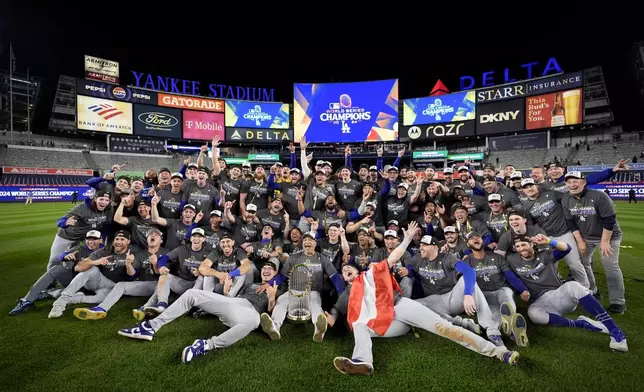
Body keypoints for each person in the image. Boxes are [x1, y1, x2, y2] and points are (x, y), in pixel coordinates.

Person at [328, 221, 519, 376]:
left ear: (358, 270)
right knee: (360, 327)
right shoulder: (349, 294)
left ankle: (498, 352)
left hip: (401, 307)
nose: (346, 271)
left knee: (445, 329)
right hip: (388, 324)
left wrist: (407, 239)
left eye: (349, 269)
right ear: (344, 279)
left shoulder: (370, 274)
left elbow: (393, 257)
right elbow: (341, 312)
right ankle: (363, 362)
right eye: (344, 273)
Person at [117, 259, 285, 364]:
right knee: (192, 294)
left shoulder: (278, 288)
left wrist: (271, 298)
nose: (267, 270)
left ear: (275, 273)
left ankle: (205, 345)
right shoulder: (251, 284)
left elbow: (269, 315)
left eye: (270, 269)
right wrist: (227, 291)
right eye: (265, 268)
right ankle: (151, 326)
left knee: (254, 321)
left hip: (251, 313)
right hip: (236, 302)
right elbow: (229, 299)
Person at [506, 234, 627, 352]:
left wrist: (549, 241)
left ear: (532, 244)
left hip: (559, 295)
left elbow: (567, 248)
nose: (521, 248)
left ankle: (615, 331)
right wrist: (522, 291)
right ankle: (581, 324)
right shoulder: (512, 260)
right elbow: (511, 277)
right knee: (533, 314)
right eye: (518, 246)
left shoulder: (545, 255)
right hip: (541, 301)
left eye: (524, 244)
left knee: (573, 285)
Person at [562, 171, 626, 313]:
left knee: (610, 266)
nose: (572, 184)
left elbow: (609, 220)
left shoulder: (599, 196)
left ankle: (618, 302)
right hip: (586, 236)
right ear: (566, 185)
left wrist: (604, 241)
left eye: (575, 181)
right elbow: (571, 222)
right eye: (569, 182)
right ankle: (593, 291)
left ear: (584, 182)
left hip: (609, 236)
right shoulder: (566, 199)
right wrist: (580, 241)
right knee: (582, 263)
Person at [72, 228, 169, 321]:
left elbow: (164, 275)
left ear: (161, 240)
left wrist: (155, 264)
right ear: (146, 240)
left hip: (162, 284)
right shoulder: (140, 253)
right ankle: (101, 309)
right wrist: (128, 264)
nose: (153, 235)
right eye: (150, 235)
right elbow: (133, 275)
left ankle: (145, 308)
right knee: (120, 285)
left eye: (156, 235)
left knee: (160, 286)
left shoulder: (166, 253)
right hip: (145, 284)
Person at [9, 230, 104, 315]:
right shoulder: (81, 249)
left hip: (95, 287)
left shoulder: (106, 251)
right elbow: (61, 255)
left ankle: (52, 293)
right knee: (56, 269)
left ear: (101, 240)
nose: (91, 242)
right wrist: (65, 257)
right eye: (89, 239)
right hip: (78, 284)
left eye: (95, 239)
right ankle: (27, 300)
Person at [48, 230, 138, 318]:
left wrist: (128, 264)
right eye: (117, 239)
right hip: (99, 281)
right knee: (91, 269)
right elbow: (77, 267)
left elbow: (132, 276)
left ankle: (71, 298)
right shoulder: (103, 251)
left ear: (128, 241)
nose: (118, 242)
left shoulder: (131, 254)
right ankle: (59, 304)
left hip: (115, 287)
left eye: (122, 239)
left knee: (99, 300)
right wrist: (94, 262)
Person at [462, 232, 529, 346]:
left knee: (507, 294)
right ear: (468, 244)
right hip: (483, 295)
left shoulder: (497, 257)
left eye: (478, 237)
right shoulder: (466, 261)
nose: (475, 239)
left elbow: (510, 276)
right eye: (471, 239)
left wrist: (523, 290)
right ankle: (505, 329)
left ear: (483, 241)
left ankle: (499, 328)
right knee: (491, 309)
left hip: (500, 290)